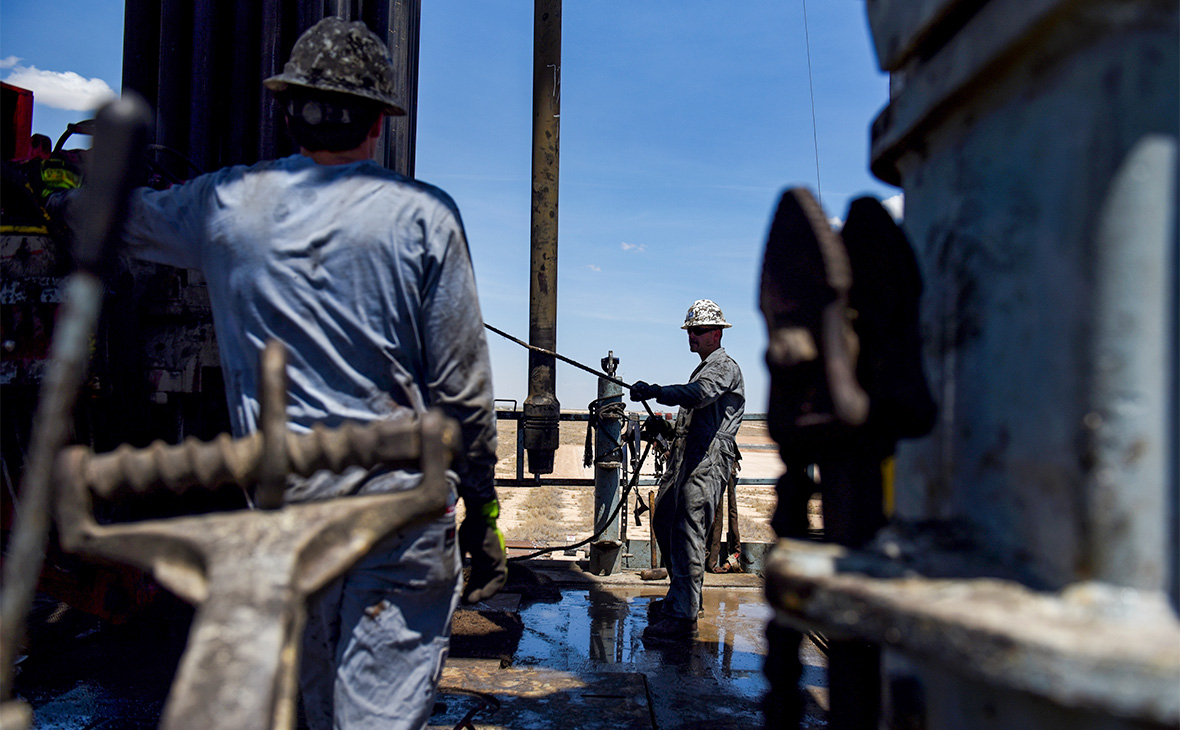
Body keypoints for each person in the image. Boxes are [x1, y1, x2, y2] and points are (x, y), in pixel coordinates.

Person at [53, 17, 506, 730]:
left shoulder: (226, 204)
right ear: (380, 124)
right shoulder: (425, 217)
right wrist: (481, 512)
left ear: (288, 110)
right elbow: (463, 393)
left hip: (294, 523)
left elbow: (100, 215)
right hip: (401, 515)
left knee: (316, 712)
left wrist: (53, 198)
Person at [630, 299, 745, 641]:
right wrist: (665, 429)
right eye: (689, 331)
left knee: (688, 530)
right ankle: (683, 597)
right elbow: (695, 411)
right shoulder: (704, 367)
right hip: (688, 455)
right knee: (665, 516)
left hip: (708, 457)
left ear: (717, 333)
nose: (692, 336)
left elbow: (700, 395)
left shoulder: (722, 367)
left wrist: (657, 391)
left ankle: (682, 617)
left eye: (698, 331)